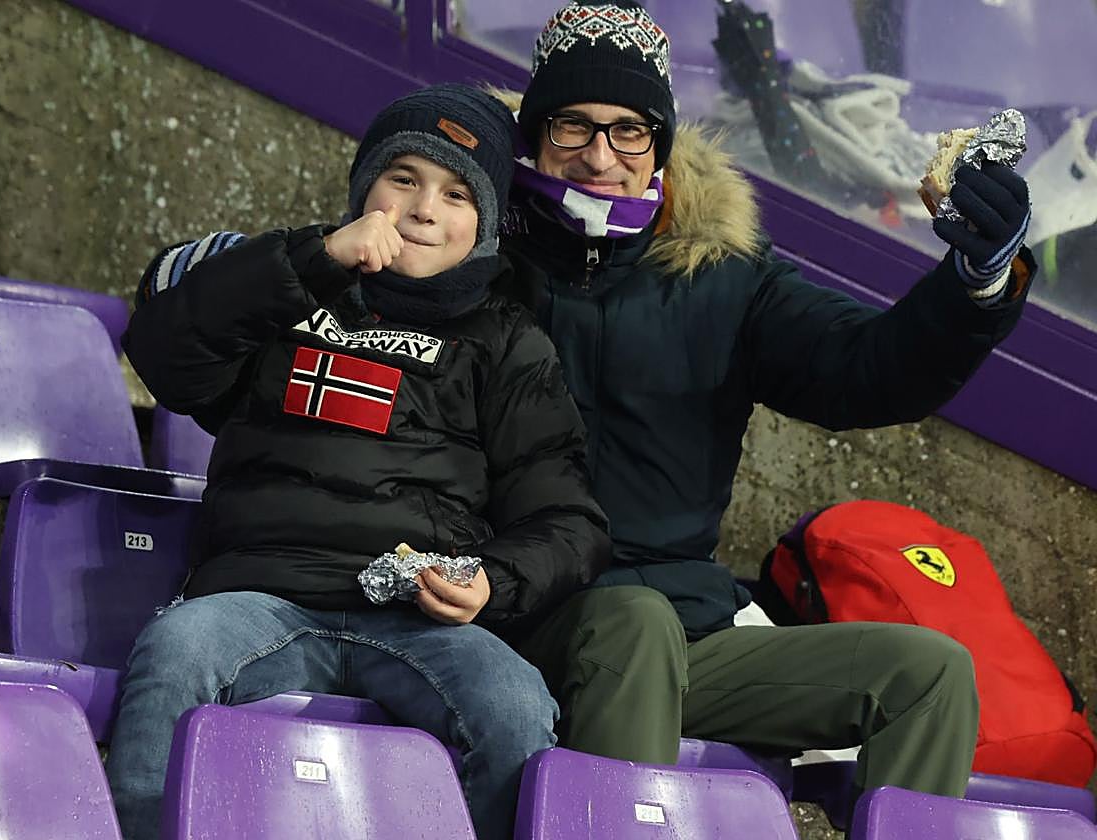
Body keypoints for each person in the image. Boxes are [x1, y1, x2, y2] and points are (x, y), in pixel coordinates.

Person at [500, 0, 1035, 810]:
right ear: (535, 134)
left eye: (629, 131)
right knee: (634, 621)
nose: (600, 156)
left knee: (926, 674)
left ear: (660, 146)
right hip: (518, 616)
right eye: (572, 125)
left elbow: (867, 368)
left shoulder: (722, 274)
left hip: (689, 633)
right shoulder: (476, 252)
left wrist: (977, 283)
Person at [108, 83, 609, 840]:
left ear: (485, 222)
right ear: (364, 189)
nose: (424, 210)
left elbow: (567, 519)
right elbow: (164, 355)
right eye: (404, 178)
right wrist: (315, 260)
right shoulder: (291, 292)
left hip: (416, 621)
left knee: (513, 704)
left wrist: (493, 581)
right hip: (258, 598)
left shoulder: (510, 343)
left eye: (456, 195)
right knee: (174, 651)